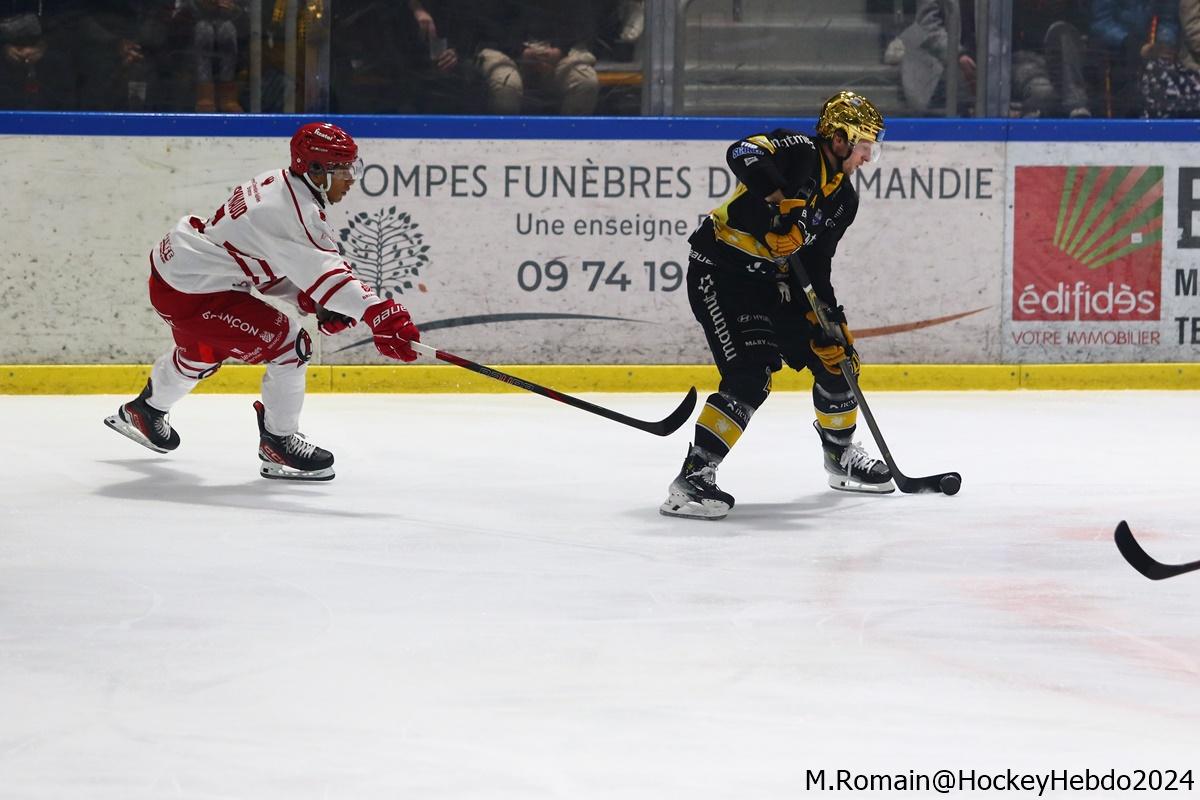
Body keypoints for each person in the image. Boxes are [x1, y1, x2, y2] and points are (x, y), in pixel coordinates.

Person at [104, 122, 422, 481]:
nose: (351, 179)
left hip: (182, 276)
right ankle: (279, 443)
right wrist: (379, 313)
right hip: (196, 291)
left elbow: (261, 264)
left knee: (202, 352)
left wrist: (310, 300)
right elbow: (332, 277)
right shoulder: (291, 212)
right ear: (315, 169)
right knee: (291, 347)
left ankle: (144, 412)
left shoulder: (277, 183)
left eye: (353, 168)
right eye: (343, 170)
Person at [660, 91, 894, 521]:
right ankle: (692, 479)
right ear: (839, 138)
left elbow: (816, 266)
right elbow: (741, 151)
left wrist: (828, 319)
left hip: (775, 283)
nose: (867, 157)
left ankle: (840, 456)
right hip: (722, 273)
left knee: (838, 359)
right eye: (864, 146)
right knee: (751, 375)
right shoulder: (798, 151)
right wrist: (779, 200)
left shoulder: (844, 200)